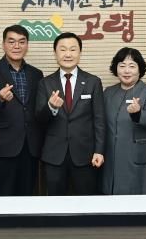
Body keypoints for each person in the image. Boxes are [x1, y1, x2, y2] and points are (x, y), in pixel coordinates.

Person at [35, 32, 105, 195]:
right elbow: (39, 119)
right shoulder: (45, 83)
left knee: (86, 201)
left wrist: (99, 150)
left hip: (85, 154)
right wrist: (51, 107)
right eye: (63, 49)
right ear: (55, 53)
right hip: (54, 155)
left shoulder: (93, 82)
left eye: (73, 49)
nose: (68, 54)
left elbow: (99, 120)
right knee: (56, 202)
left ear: (80, 53)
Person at [0, 25, 43, 196]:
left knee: (27, 197)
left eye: (22, 42)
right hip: (2, 150)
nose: (17, 46)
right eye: (11, 41)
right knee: (3, 198)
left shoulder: (36, 74)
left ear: (27, 45)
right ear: (3, 44)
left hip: (30, 148)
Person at [101, 47, 146, 195]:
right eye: (122, 66)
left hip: (138, 159)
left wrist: (138, 113)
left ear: (140, 69)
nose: (126, 71)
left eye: (132, 66)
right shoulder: (108, 92)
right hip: (111, 159)